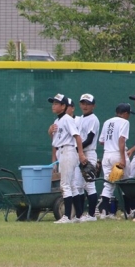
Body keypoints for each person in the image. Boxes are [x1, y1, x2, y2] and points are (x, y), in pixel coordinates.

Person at [48, 93, 87, 224]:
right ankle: (79, 216)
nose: (53, 106)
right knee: (72, 185)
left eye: (56, 103)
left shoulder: (67, 119)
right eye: (53, 103)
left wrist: (81, 154)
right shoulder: (57, 121)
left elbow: (77, 137)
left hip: (68, 151)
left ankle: (67, 217)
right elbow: (55, 141)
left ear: (63, 106)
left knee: (65, 185)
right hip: (62, 151)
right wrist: (50, 132)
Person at [97, 103, 133, 219]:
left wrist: (110, 142)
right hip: (118, 155)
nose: (129, 116)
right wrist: (122, 158)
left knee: (108, 184)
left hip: (107, 155)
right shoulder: (124, 122)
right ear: (125, 113)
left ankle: (104, 212)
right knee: (126, 183)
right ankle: (128, 211)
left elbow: (101, 141)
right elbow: (121, 140)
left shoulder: (107, 122)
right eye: (129, 114)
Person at [73, 93, 100, 221]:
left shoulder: (93, 119)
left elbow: (89, 139)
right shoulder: (80, 119)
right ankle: (79, 215)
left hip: (89, 153)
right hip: (80, 153)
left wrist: (77, 149)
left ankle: (91, 215)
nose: (85, 106)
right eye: (83, 103)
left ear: (93, 106)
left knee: (89, 185)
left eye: (88, 104)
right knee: (78, 185)